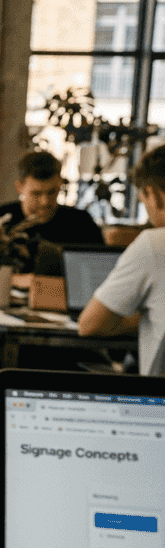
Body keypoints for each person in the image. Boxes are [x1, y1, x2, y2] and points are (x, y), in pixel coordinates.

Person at [79, 145, 165, 375]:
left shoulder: (154, 244)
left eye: (143, 199)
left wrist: (143, 318)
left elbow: (90, 324)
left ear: (151, 193)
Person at [0, 151, 103, 263]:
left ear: (60, 184)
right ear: (19, 187)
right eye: (36, 194)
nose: (45, 202)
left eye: (52, 192)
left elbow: (100, 267)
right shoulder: (0, 219)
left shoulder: (81, 222)